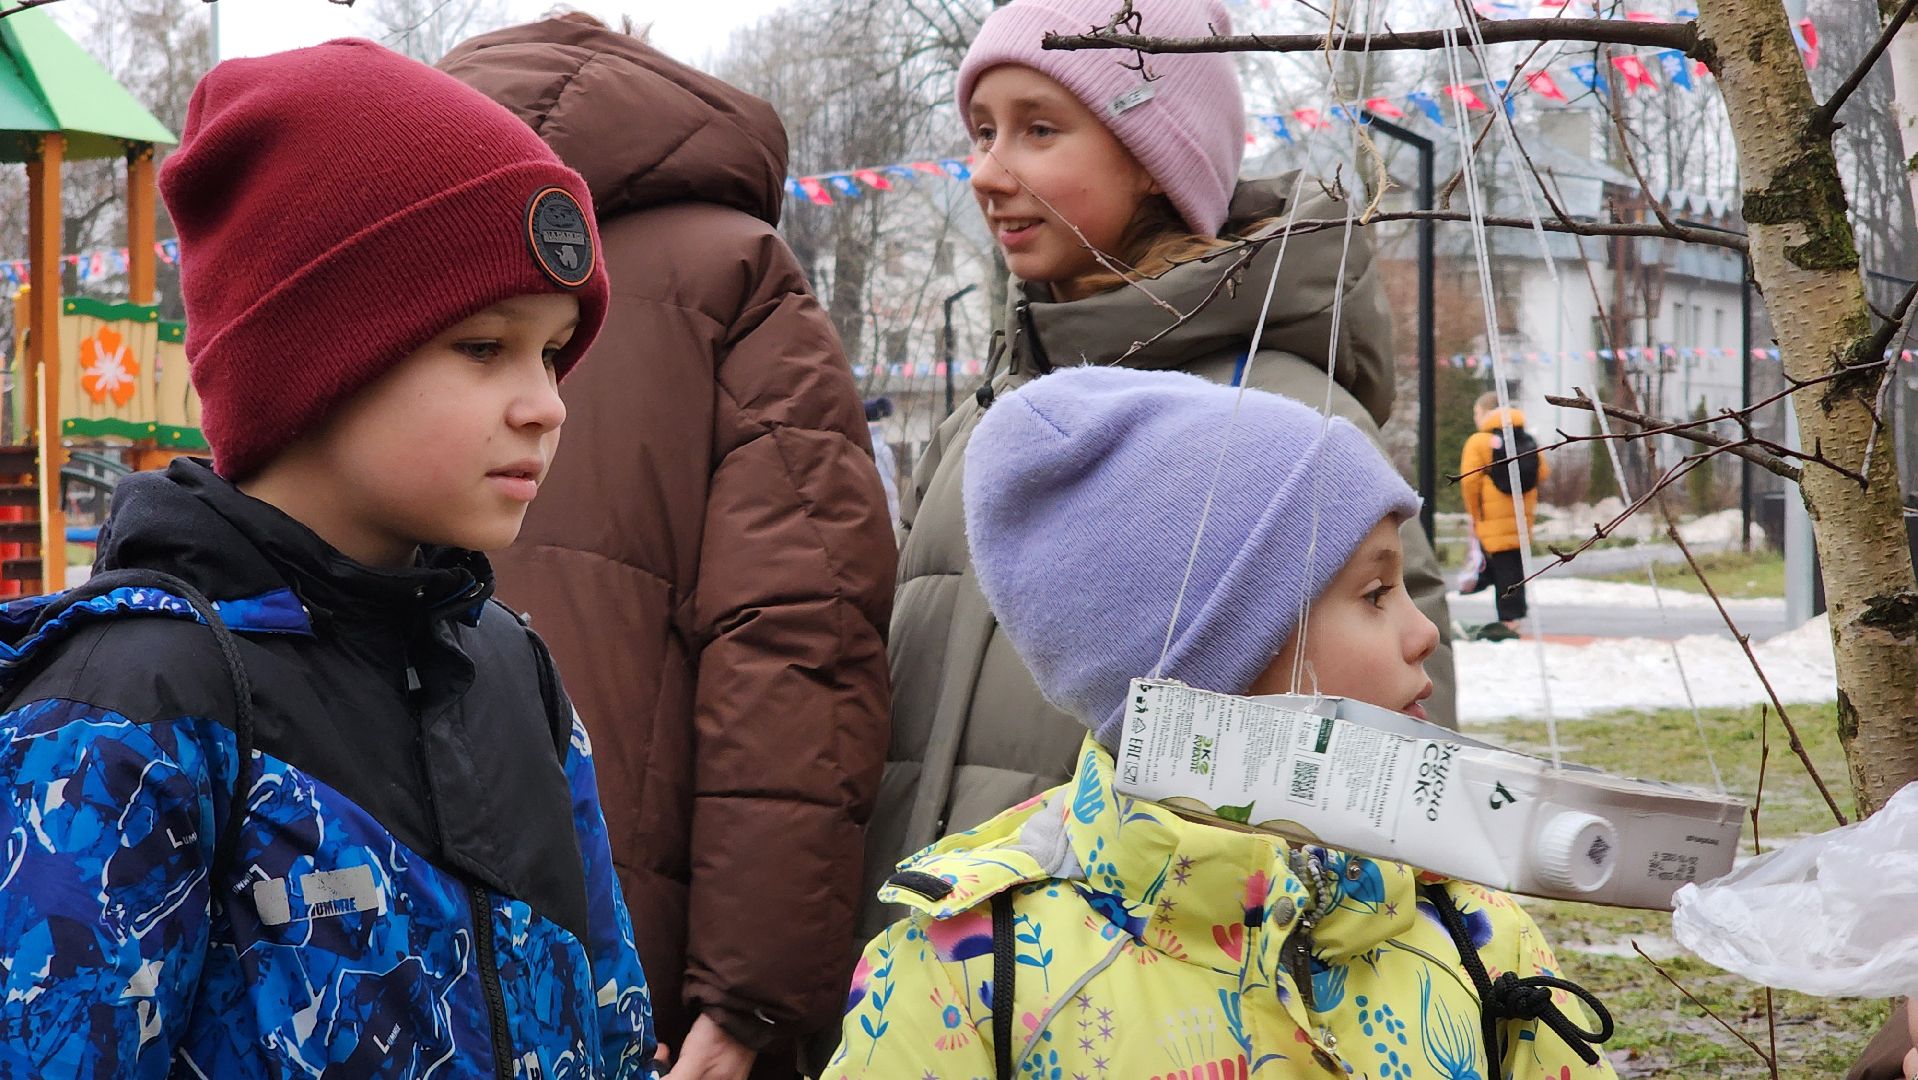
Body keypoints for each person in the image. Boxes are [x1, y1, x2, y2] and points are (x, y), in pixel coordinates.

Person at [0, 40, 656, 1077]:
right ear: (315, 358)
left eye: (553, 348)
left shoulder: (508, 669)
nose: (547, 403)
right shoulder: (130, 710)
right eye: (484, 348)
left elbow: (611, 1018)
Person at [823, 367, 1614, 1079]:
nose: (1424, 632)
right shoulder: (972, 973)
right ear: (1215, 668)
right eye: (1375, 595)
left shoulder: (1470, 929)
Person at [865, 0, 1457, 949]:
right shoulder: (985, 420)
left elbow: (1401, 767)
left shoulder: (1284, 423)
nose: (985, 172)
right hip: (943, 980)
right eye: (981, 133)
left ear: (1154, 156)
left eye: (1039, 129)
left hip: (1159, 997)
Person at [438, 16, 895, 1080]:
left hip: (370, 936)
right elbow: (799, 640)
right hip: (638, 963)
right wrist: (749, 1000)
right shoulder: (737, 271)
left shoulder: (407, 252)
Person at [1459, 392, 1549, 641]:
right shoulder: (1526, 438)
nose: (1476, 418)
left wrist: (1475, 512)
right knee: (1510, 566)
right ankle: (1510, 617)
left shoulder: (1479, 441)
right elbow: (1542, 472)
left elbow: (1469, 481)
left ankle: (1508, 621)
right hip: (1520, 516)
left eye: (1477, 413)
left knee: (1502, 568)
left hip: (1491, 515)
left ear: (1486, 412)